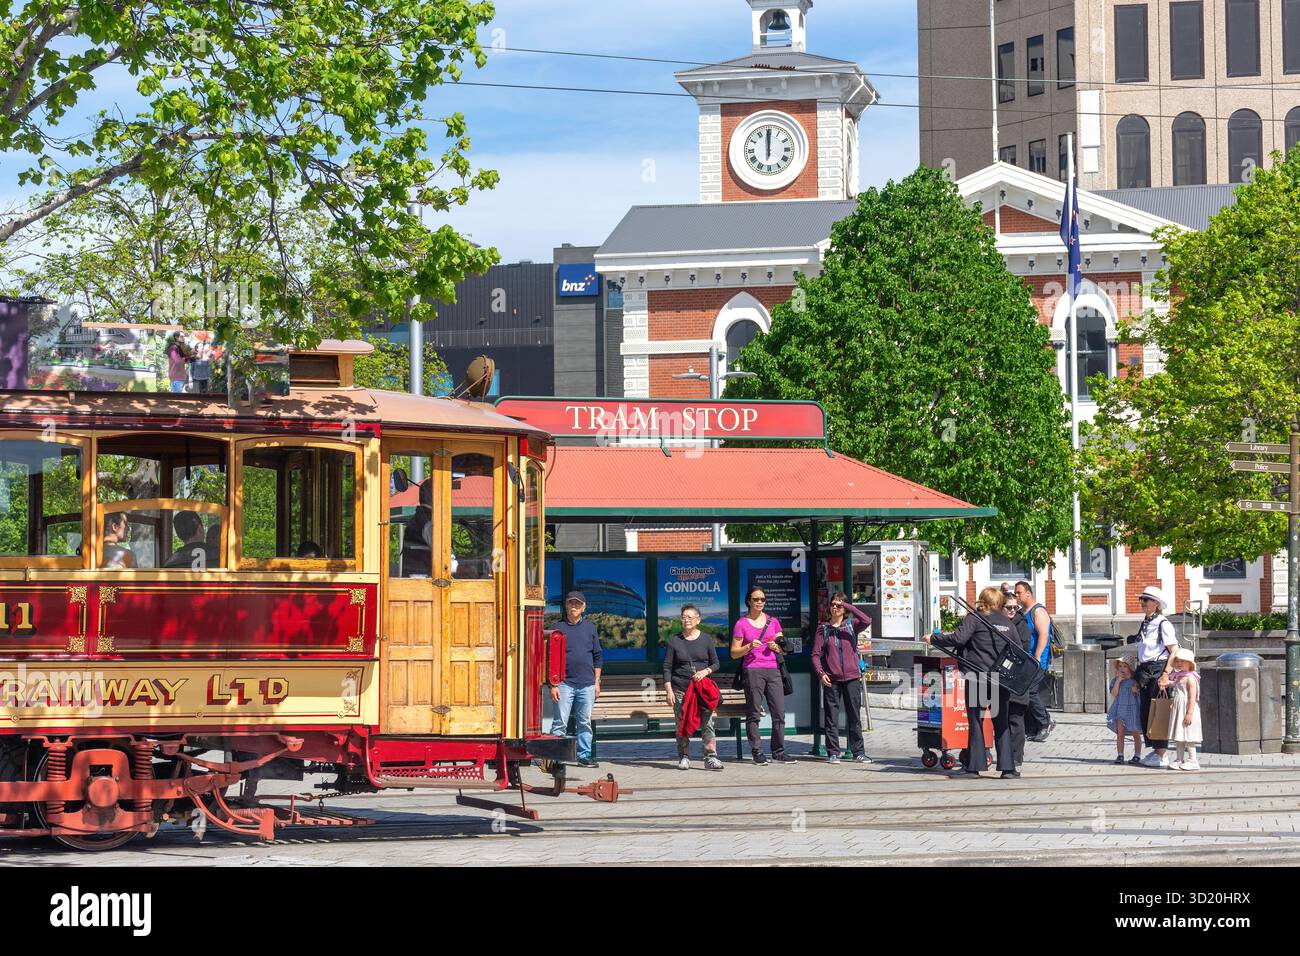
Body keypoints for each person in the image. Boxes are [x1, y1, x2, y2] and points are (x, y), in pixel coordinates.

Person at [923, 587, 1019, 778]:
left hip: (978, 677)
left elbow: (958, 639)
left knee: (976, 720)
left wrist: (933, 638)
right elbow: (1017, 648)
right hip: (1001, 679)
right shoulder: (1007, 623)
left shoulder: (975, 618)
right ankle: (1008, 768)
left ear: (982, 600)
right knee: (1001, 722)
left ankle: (974, 767)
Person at [731, 587, 793, 765]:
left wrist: (777, 648)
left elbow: (783, 647)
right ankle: (757, 751)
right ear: (748, 601)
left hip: (773, 670)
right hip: (752, 670)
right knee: (754, 713)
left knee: (779, 713)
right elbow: (734, 653)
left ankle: (778, 751)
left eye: (763, 599)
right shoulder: (741, 623)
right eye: (756, 599)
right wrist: (749, 646)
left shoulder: (773, 622)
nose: (759, 602)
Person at [812, 590, 873, 764]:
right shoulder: (823, 628)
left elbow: (867, 620)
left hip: (852, 677)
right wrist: (821, 673)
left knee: (854, 716)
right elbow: (815, 655)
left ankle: (858, 752)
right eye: (833, 604)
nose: (835, 607)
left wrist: (847, 605)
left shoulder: (851, 625)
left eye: (839, 605)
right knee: (831, 716)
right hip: (831, 678)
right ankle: (833, 752)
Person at [662, 604, 723, 771]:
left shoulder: (706, 639)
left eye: (690, 617)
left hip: (701, 691)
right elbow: (667, 667)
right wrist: (668, 690)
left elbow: (716, 663)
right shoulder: (675, 641)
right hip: (680, 690)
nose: (686, 620)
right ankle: (684, 756)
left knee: (707, 724)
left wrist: (705, 671)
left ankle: (710, 757)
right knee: (682, 725)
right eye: (683, 617)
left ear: (698, 619)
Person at [549, 591, 602, 768]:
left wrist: (596, 682)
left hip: (587, 684)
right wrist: (553, 685)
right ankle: (555, 757)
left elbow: (597, 656)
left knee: (584, 723)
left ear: (583, 607)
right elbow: (551, 658)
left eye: (578, 604)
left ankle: (584, 756)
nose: (574, 607)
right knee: (560, 723)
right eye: (571, 603)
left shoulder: (590, 628)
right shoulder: (558, 628)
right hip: (564, 684)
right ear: (566, 605)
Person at [1133, 585, 1179, 768]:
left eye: (1146, 600)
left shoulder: (1163, 623)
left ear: (1156, 604)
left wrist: (1166, 674)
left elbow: (1174, 651)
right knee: (1145, 712)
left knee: (1158, 711)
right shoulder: (1146, 622)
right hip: (1145, 670)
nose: (1142, 603)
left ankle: (1162, 754)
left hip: (1158, 670)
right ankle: (1156, 750)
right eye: (1141, 600)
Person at [1013, 579, 1057, 742]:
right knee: (1024, 692)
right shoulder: (1023, 612)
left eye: (1019, 593)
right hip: (1026, 660)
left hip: (1037, 660)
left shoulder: (1038, 611)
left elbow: (1043, 635)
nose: (1017, 596)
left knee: (1030, 691)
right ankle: (1036, 726)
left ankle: (1045, 721)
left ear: (1028, 593)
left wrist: (1037, 656)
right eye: (1016, 593)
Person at [999, 588, 1032, 768]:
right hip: (999, 678)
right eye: (1008, 607)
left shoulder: (1020, 624)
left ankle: (1016, 755)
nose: (1012, 610)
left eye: (1015, 607)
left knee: (1015, 717)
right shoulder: (997, 622)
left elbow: (1023, 650)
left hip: (1017, 677)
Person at [1167, 649, 1202, 771]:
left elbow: (1193, 697)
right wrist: (1166, 683)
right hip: (1179, 709)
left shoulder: (1190, 678)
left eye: (1182, 661)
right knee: (1179, 735)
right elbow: (1174, 684)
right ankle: (1179, 759)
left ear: (1190, 663)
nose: (1179, 663)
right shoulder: (1180, 676)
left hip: (1186, 709)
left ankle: (1193, 760)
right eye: (1177, 661)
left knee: (1188, 736)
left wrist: (1189, 713)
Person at [1107, 654, 1143, 765]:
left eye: (1125, 666)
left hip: (1133, 709)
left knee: (1135, 733)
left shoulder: (1135, 681)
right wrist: (1118, 681)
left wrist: (1136, 690)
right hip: (1120, 708)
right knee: (1120, 733)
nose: (1122, 668)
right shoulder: (1116, 680)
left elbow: (1140, 694)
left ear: (1130, 668)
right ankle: (1120, 755)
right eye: (1120, 666)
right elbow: (1113, 693)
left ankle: (1137, 755)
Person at [400, 479, 434, 577]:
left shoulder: (418, 518)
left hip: (413, 575)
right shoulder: (428, 521)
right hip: (422, 578)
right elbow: (441, 551)